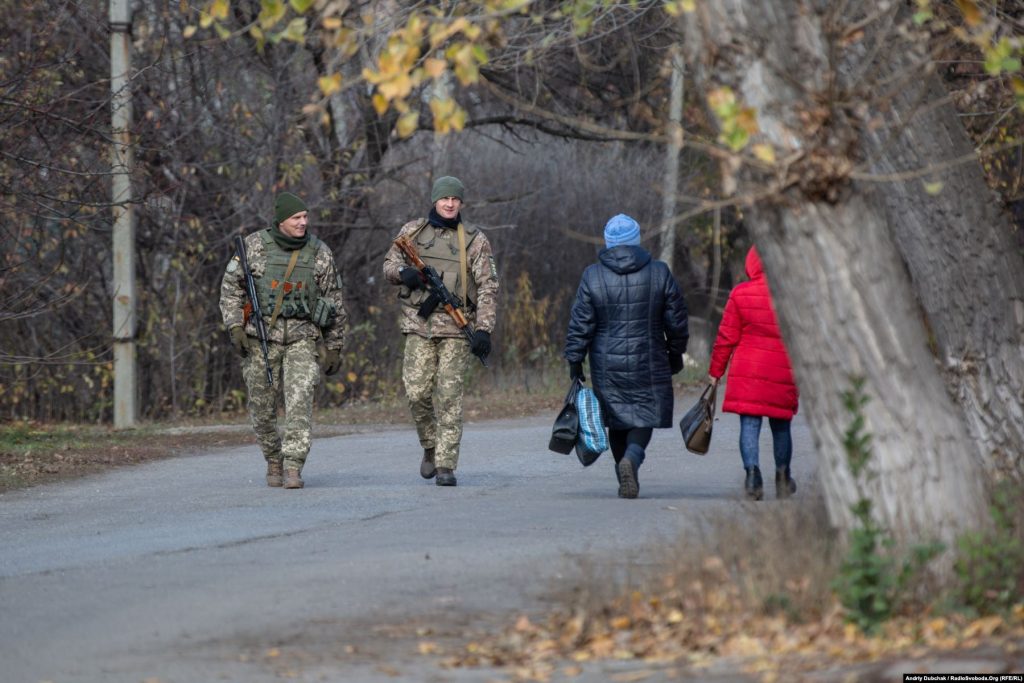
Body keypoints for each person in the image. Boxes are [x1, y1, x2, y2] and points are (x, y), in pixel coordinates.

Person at [220, 192, 348, 489]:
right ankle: (273, 458)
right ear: (281, 221)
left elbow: (334, 302)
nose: (303, 222)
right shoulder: (253, 247)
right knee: (262, 408)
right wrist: (235, 327)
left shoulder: (320, 253)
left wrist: (334, 346)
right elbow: (231, 289)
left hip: (303, 338)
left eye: (305, 217)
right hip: (260, 338)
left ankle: (293, 465)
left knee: (300, 402)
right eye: (296, 218)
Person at [382, 176, 499, 487]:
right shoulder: (413, 231)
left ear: (461, 203)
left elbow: (488, 287)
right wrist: (404, 274)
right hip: (418, 325)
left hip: (456, 329)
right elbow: (389, 265)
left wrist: (484, 329)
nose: (450, 204)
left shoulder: (474, 240)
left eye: (455, 199)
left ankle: (446, 464)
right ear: (435, 200)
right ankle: (430, 445)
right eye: (445, 199)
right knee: (416, 392)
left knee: (449, 397)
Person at [564, 214, 689, 499]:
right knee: (643, 414)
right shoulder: (659, 272)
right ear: (636, 241)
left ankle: (624, 475)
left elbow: (581, 322)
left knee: (616, 416)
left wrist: (575, 359)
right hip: (650, 357)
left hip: (607, 362)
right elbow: (677, 319)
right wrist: (676, 352)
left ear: (608, 243)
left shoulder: (593, 275)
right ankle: (631, 459)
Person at [707, 245, 799, 501]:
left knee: (749, 424)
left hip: (748, 368)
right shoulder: (791, 296)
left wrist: (715, 371)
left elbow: (726, 337)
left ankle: (752, 475)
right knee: (781, 426)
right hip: (782, 368)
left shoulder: (740, 294)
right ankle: (782, 478)